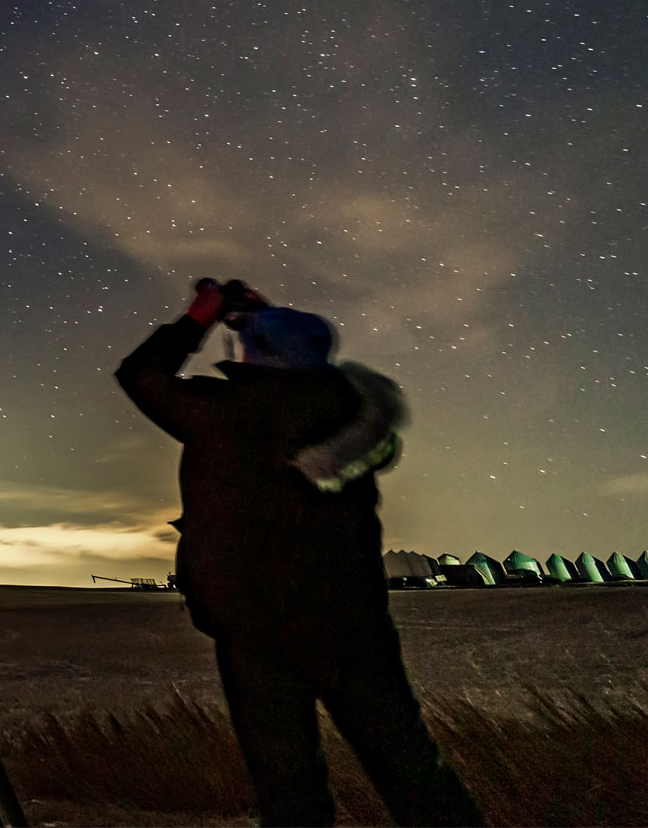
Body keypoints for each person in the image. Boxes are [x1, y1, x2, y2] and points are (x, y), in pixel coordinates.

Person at [114, 279, 483, 828]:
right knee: (415, 773)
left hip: (260, 634)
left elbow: (140, 375)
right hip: (356, 628)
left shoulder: (226, 411)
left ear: (257, 356)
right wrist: (270, 326)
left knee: (291, 793)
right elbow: (333, 382)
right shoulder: (352, 413)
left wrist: (200, 317)